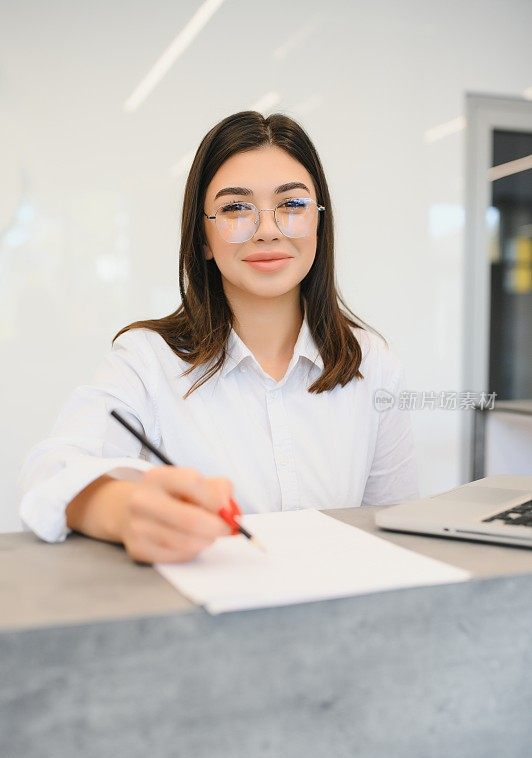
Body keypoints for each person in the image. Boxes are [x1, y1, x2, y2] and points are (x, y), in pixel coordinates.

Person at [17, 110, 419, 564]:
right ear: (203, 238)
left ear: (319, 224)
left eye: (292, 205)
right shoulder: (147, 360)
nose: (268, 229)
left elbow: (393, 524)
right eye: (235, 208)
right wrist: (125, 510)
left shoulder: (373, 362)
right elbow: (49, 471)